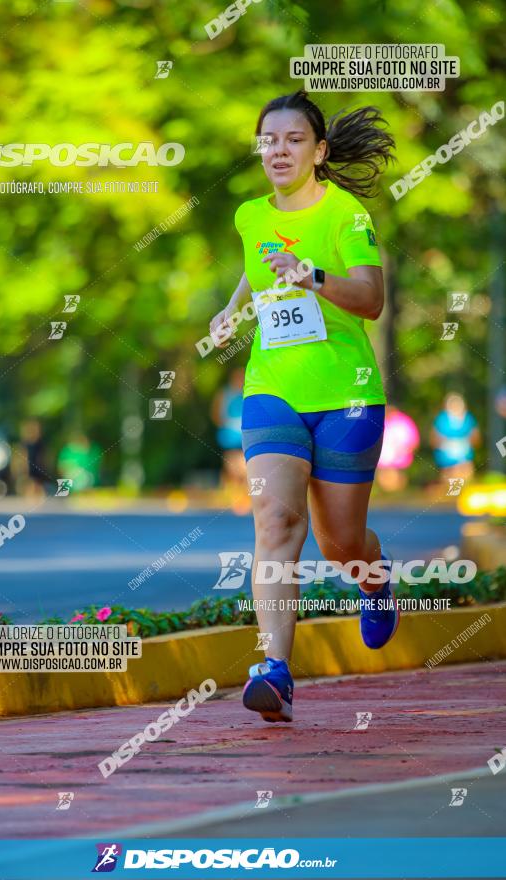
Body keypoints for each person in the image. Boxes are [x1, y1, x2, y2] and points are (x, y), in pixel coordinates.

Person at [209, 90, 396, 723]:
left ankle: (373, 577)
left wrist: (312, 276)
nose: (278, 150)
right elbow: (259, 264)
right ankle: (276, 671)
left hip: (346, 394)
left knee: (339, 543)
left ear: (318, 151)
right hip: (273, 389)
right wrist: (235, 307)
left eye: (293, 140)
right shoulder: (248, 215)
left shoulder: (348, 215)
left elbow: (370, 299)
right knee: (276, 522)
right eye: (268, 140)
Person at [211, 367, 247, 498]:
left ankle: (240, 493)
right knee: (232, 465)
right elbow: (216, 414)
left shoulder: (248, 393)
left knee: (244, 465)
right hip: (230, 436)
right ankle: (230, 492)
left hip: (245, 436)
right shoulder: (225, 393)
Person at [430, 393, 480, 482]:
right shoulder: (441, 419)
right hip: (446, 458)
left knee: (465, 477)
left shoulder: (468, 418)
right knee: (450, 481)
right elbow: (434, 439)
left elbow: (475, 438)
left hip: (465, 457)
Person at [376, 405, 420, 492]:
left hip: (399, 461)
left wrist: (404, 451)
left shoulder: (404, 422)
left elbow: (414, 442)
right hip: (384, 462)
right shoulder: (380, 421)